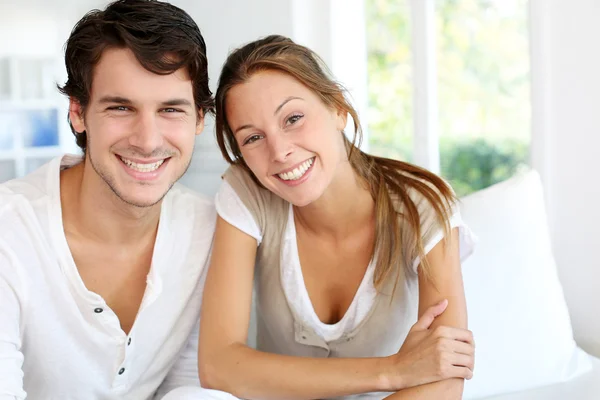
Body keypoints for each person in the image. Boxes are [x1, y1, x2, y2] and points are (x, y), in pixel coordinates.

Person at [198, 35, 477, 399]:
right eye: (252, 138)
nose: (279, 151)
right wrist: (393, 370)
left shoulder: (422, 205)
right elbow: (218, 367)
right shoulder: (248, 192)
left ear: (338, 108)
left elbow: (446, 374)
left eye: (293, 118)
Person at [0, 1, 234, 399]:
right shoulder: (10, 230)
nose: (147, 140)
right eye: (121, 107)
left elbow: (188, 384)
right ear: (78, 112)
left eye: (170, 109)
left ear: (199, 118)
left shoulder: (209, 228)